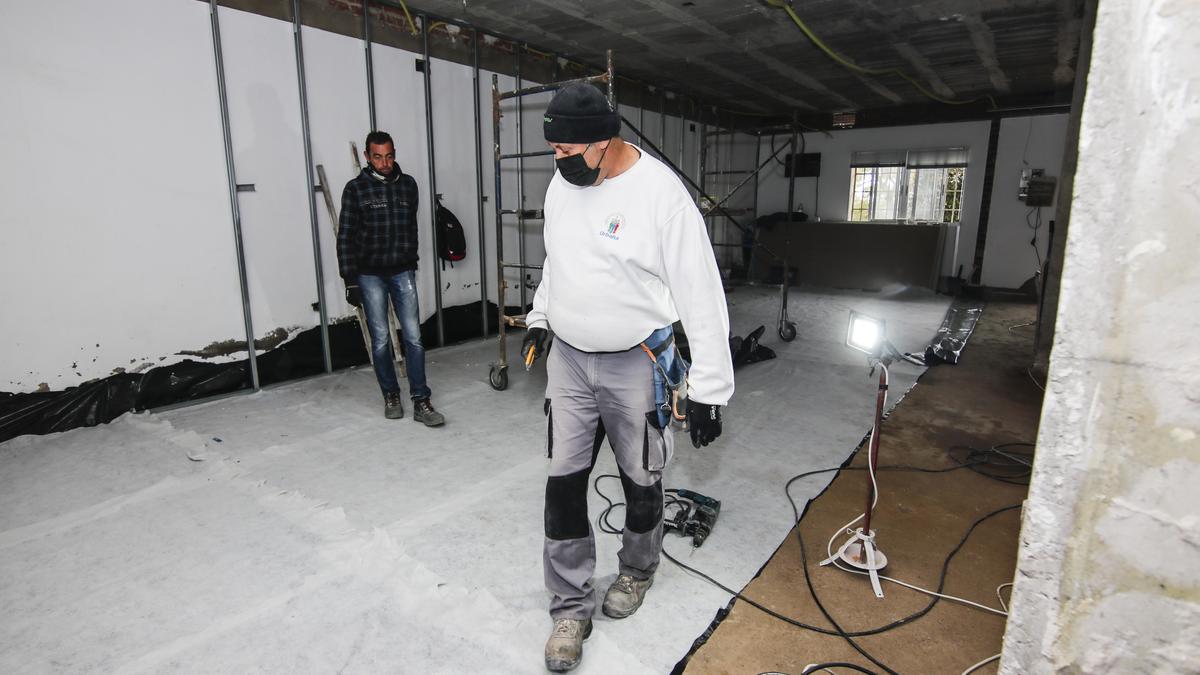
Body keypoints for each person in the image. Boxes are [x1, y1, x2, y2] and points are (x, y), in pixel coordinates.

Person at [524, 83, 734, 672]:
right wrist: (543, 315)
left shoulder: (659, 195)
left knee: (641, 476)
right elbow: (556, 260)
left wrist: (711, 389)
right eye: (553, 149)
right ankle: (570, 603)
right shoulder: (563, 184)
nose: (557, 160)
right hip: (568, 357)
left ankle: (637, 571)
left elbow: (701, 293)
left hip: (636, 359)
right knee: (562, 481)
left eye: (567, 148)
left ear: (604, 142)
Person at [337, 131, 445, 427]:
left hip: (402, 272)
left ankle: (421, 400)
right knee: (382, 339)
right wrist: (350, 280)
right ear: (367, 157)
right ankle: (391, 395)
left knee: (414, 337)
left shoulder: (408, 185)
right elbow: (345, 237)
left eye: (389, 156)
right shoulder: (356, 189)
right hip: (369, 275)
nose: (384, 162)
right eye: (377, 157)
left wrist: (410, 260)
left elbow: (410, 228)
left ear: (394, 153)